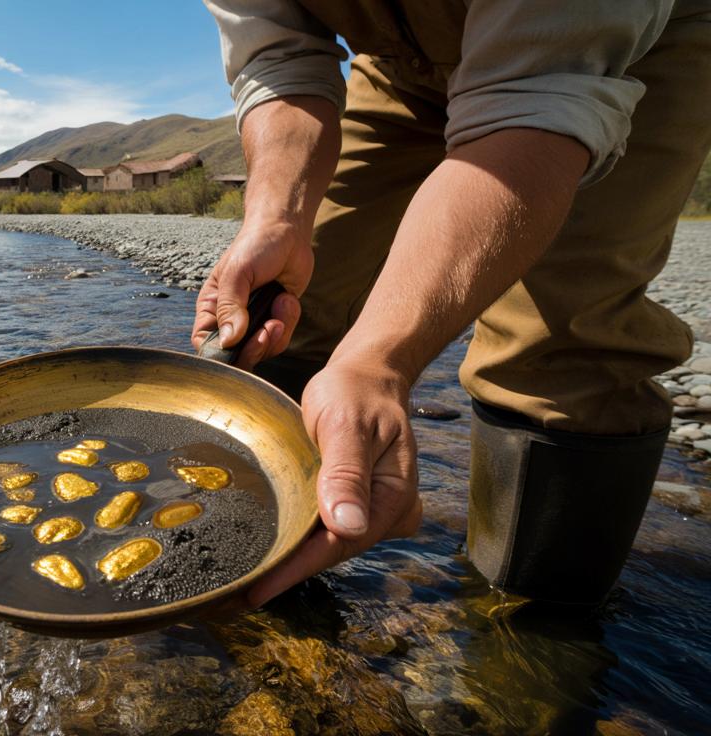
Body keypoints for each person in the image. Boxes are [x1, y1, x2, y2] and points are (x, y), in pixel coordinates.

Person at [195, 1, 711, 609]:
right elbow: (282, 63)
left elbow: (533, 100)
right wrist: (275, 215)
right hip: (397, 62)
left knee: (557, 351)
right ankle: (253, 569)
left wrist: (380, 360)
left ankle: (526, 640)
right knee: (294, 300)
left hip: (608, 50)